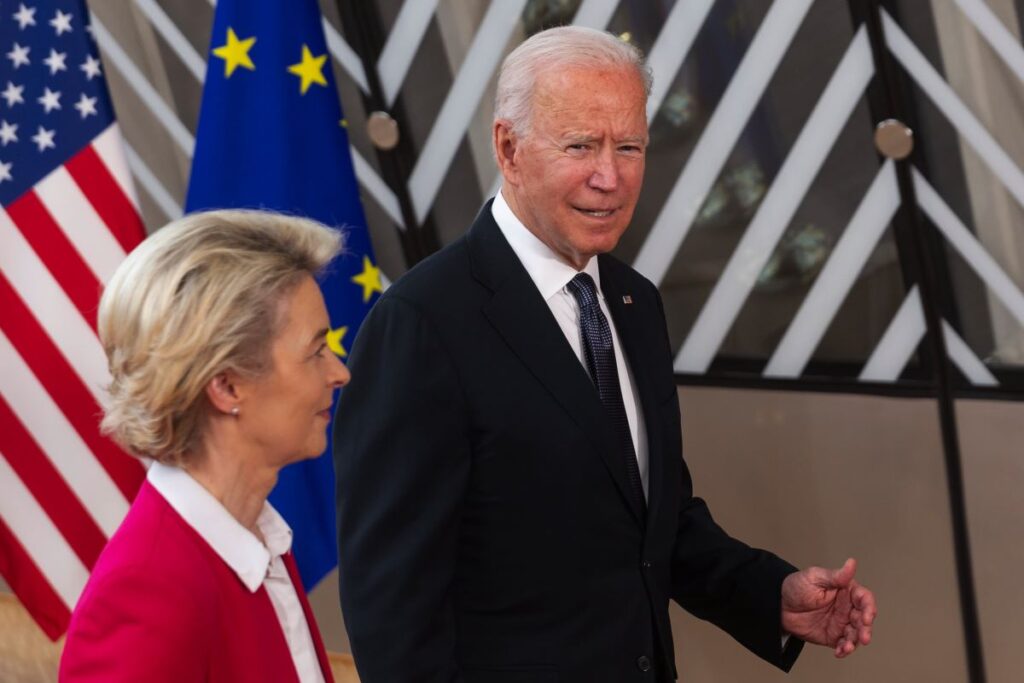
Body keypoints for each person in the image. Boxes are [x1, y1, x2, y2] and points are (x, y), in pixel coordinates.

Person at [333, 26, 876, 683]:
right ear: (508, 147)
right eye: (581, 146)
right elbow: (392, 612)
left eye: (630, 146)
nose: (609, 177)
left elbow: (651, 521)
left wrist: (773, 595)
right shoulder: (421, 326)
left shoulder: (633, 302)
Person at [59, 210, 350, 682]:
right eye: (315, 352)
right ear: (227, 386)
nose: (340, 372)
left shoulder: (255, 535)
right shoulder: (145, 595)